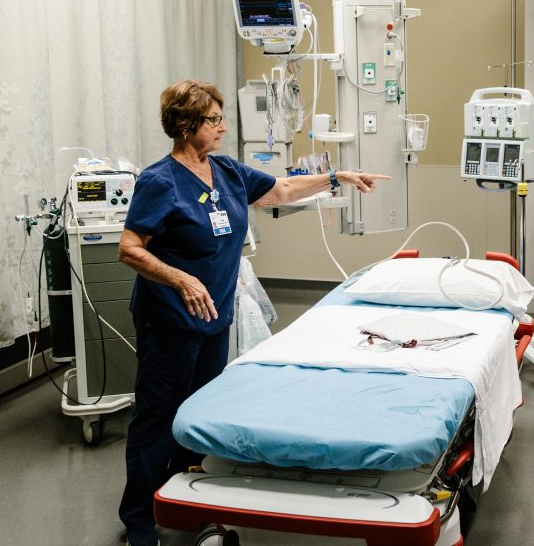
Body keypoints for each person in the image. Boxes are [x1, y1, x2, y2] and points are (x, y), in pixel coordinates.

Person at [116, 79, 389, 546]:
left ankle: (183, 499)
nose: (222, 127)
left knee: (197, 412)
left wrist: (336, 178)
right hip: (169, 321)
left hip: (213, 318)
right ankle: (139, 517)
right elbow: (129, 248)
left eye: (222, 118)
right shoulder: (159, 181)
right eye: (213, 120)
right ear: (185, 126)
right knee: (158, 415)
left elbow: (280, 190)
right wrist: (181, 278)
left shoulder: (224, 170)